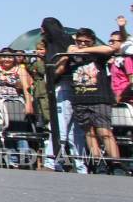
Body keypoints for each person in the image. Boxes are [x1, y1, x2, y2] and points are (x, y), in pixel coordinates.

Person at [60, 28, 124, 175]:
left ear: (92, 42)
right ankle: (98, 162)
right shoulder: (71, 55)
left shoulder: (97, 55)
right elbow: (58, 70)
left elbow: (110, 48)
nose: (82, 44)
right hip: (80, 99)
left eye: (86, 41)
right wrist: (67, 55)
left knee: (104, 132)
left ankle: (116, 164)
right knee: (89, 134)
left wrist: (84, 50)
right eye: (79, 41)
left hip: (99, 98)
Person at [40, 17, 88, 173]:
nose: (41, 31)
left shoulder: (60, 43)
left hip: (63, 86)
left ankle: (50, 162)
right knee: (75, 130)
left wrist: (53, 76)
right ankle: (80, 166)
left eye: (43, 28)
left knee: (60, 125)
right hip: (74, 87)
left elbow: (59, 68)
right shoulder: (61, 42)